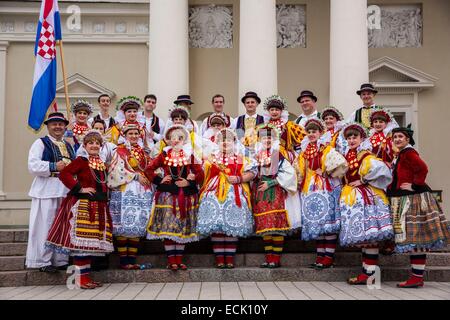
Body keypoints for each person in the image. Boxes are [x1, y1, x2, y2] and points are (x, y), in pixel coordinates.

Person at [46, 131, 114, 289]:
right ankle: (80, 280)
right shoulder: (81, 161)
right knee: (81, 246)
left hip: (99, 207)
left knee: (89, 245)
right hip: (84, 206)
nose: (94, 145)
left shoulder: (102, 163)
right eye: (91, 143)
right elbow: (64, 174)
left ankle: (85, 278)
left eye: (97, 143)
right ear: (84, 146)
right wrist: (80, 188)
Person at [387, 126, 450, 288]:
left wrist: (414, 185)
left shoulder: (409, 153)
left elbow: (423, 168)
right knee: (414, 240)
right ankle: (416, 277)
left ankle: (417, 278)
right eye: (395, 137)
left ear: (407, 139)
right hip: (406, 197)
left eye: (400, 137)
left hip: (414, 199)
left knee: (416, 239)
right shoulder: (401, 154)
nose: (397, 139)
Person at [338, 123, 394, 285]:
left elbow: (382, 170)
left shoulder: (365, 155)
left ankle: (369, 274)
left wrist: (363, 179)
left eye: (355, 137)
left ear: (362, 138)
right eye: (349, 137)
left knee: (370, 237)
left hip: (368, 198)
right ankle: (367, 273)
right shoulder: (346, 154)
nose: (351, 140)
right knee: (365, 238)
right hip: (353, 198)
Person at [145, 125, 204, 270]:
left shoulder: (190, 155)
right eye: (173, 138)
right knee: (168, 227)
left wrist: (189, 180)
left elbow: (200, 173)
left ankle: (179, 259)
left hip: (186, 195)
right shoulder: (163, 155)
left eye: (180, 138)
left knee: (181, 227)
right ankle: (172, 260)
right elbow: (148, 169)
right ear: (169, 141)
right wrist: (159, 180)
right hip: (168, 195)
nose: (176, 141)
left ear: (184, 140)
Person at [197, 128, 256, 269]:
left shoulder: (241, 157)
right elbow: (201, 174)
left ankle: (229, 258)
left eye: (228, 139)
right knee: (217, 225)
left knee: (232, 224)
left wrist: (239, 178)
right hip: (214, 192)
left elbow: (253, 172)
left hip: (235, 191)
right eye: (222, 139)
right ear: (217, 142)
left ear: (234, 142)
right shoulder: (210, 158)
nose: (225, 142)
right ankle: (219, 258)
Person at [26, 112, 76, 272]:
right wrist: (53, 166)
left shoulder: (69, 145)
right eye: (54, 124)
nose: (58, 126)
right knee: (45, 225)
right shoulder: (40, 143)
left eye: (61, 124)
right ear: (48, 126)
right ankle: (42, 261)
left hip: (65, 190)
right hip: (47, 189)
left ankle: (60, 259)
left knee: (63, 226)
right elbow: (32, 165)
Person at [297, 119, 347, 269]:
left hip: (326, 188)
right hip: (310, 189)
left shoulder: (326, 149)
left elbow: (342, 165)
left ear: (321, 133)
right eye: (309, 132)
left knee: (328, 223)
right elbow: (300, 170)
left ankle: (328, 257)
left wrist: (326, 172)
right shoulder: (305, 151)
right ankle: (320, 256)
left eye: (314, 132)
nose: (312, 134)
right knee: (318, 223)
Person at [252, 124, 300, 268]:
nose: (266, 140)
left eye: (269, 137)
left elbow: (289, 173)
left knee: (276, 226)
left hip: (275, 192)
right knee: (265, 227)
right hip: (260, 193)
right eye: (264, 137)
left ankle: (276, 259)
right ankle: (269, 258)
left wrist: (272, 182)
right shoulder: (256, 155)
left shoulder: (278, 155)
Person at [107, 123, 154, 270]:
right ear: (125, 136)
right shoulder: (120, 151)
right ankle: (123, 260)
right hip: (125, 188)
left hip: (141, 190)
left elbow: (150, 168)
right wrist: (135, 176)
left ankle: (132, 259)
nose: (134, 136)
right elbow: (115, 170)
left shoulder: (144, 152)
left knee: (136, 223)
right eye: (130, 134)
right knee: (124, 224)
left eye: (136, 134)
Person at [264, 95, 306, 162]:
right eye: (272, 110)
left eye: (277, 110)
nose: (274, 112)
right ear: (268, 112)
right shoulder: (264, 127)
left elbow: (304, 138)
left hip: (285, 157)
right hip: (267, 156)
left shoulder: (289, 125)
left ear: (281, 112)